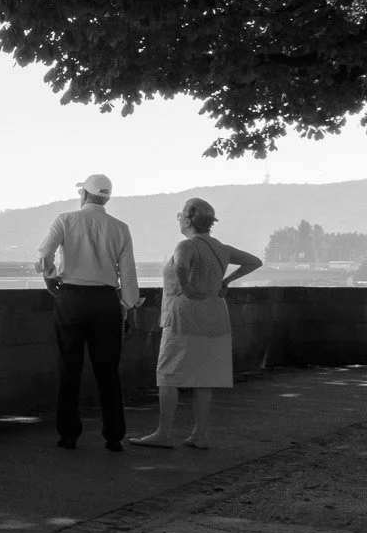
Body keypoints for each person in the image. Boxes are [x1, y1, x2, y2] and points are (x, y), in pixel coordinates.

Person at [130, 198, 260, 450]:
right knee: (205, 378)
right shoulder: (221, 248)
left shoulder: (186, 245)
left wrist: (186, 287)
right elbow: (255, 261)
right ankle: (200, 434)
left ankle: (164, 433)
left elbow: (181, 264)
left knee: (168, 375)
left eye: (180, 215)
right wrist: (227, 281)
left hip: (183, 317)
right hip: (215, 317)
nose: (179, 219)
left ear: (189, 219)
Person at [37, 173, 140, 450]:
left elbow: (44, 252)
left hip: (71, 298)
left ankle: (68, 433)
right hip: (106, 301)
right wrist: (129, 305)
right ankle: (114, 435)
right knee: (108, 371)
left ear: (84, 194)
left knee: (69, 368)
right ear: (106, 197)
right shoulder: (121, 228)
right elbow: (127, 274)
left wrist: (50, 274)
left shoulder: (65, 220)